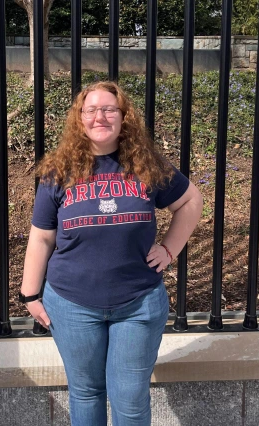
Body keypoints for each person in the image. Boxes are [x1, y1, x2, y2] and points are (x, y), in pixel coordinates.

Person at [20, 81, 203, 426]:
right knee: (86, 392)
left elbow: (191, 200)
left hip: (138, 303)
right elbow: (42, 237)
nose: (100, 116)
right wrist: (30, 294)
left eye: (109, 109)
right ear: (80, 118)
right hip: (72, 304)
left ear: (123, 117)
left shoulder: (146, 165)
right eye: (91, 110)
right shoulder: (59, 172)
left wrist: (169, 248)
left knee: (130, 398)